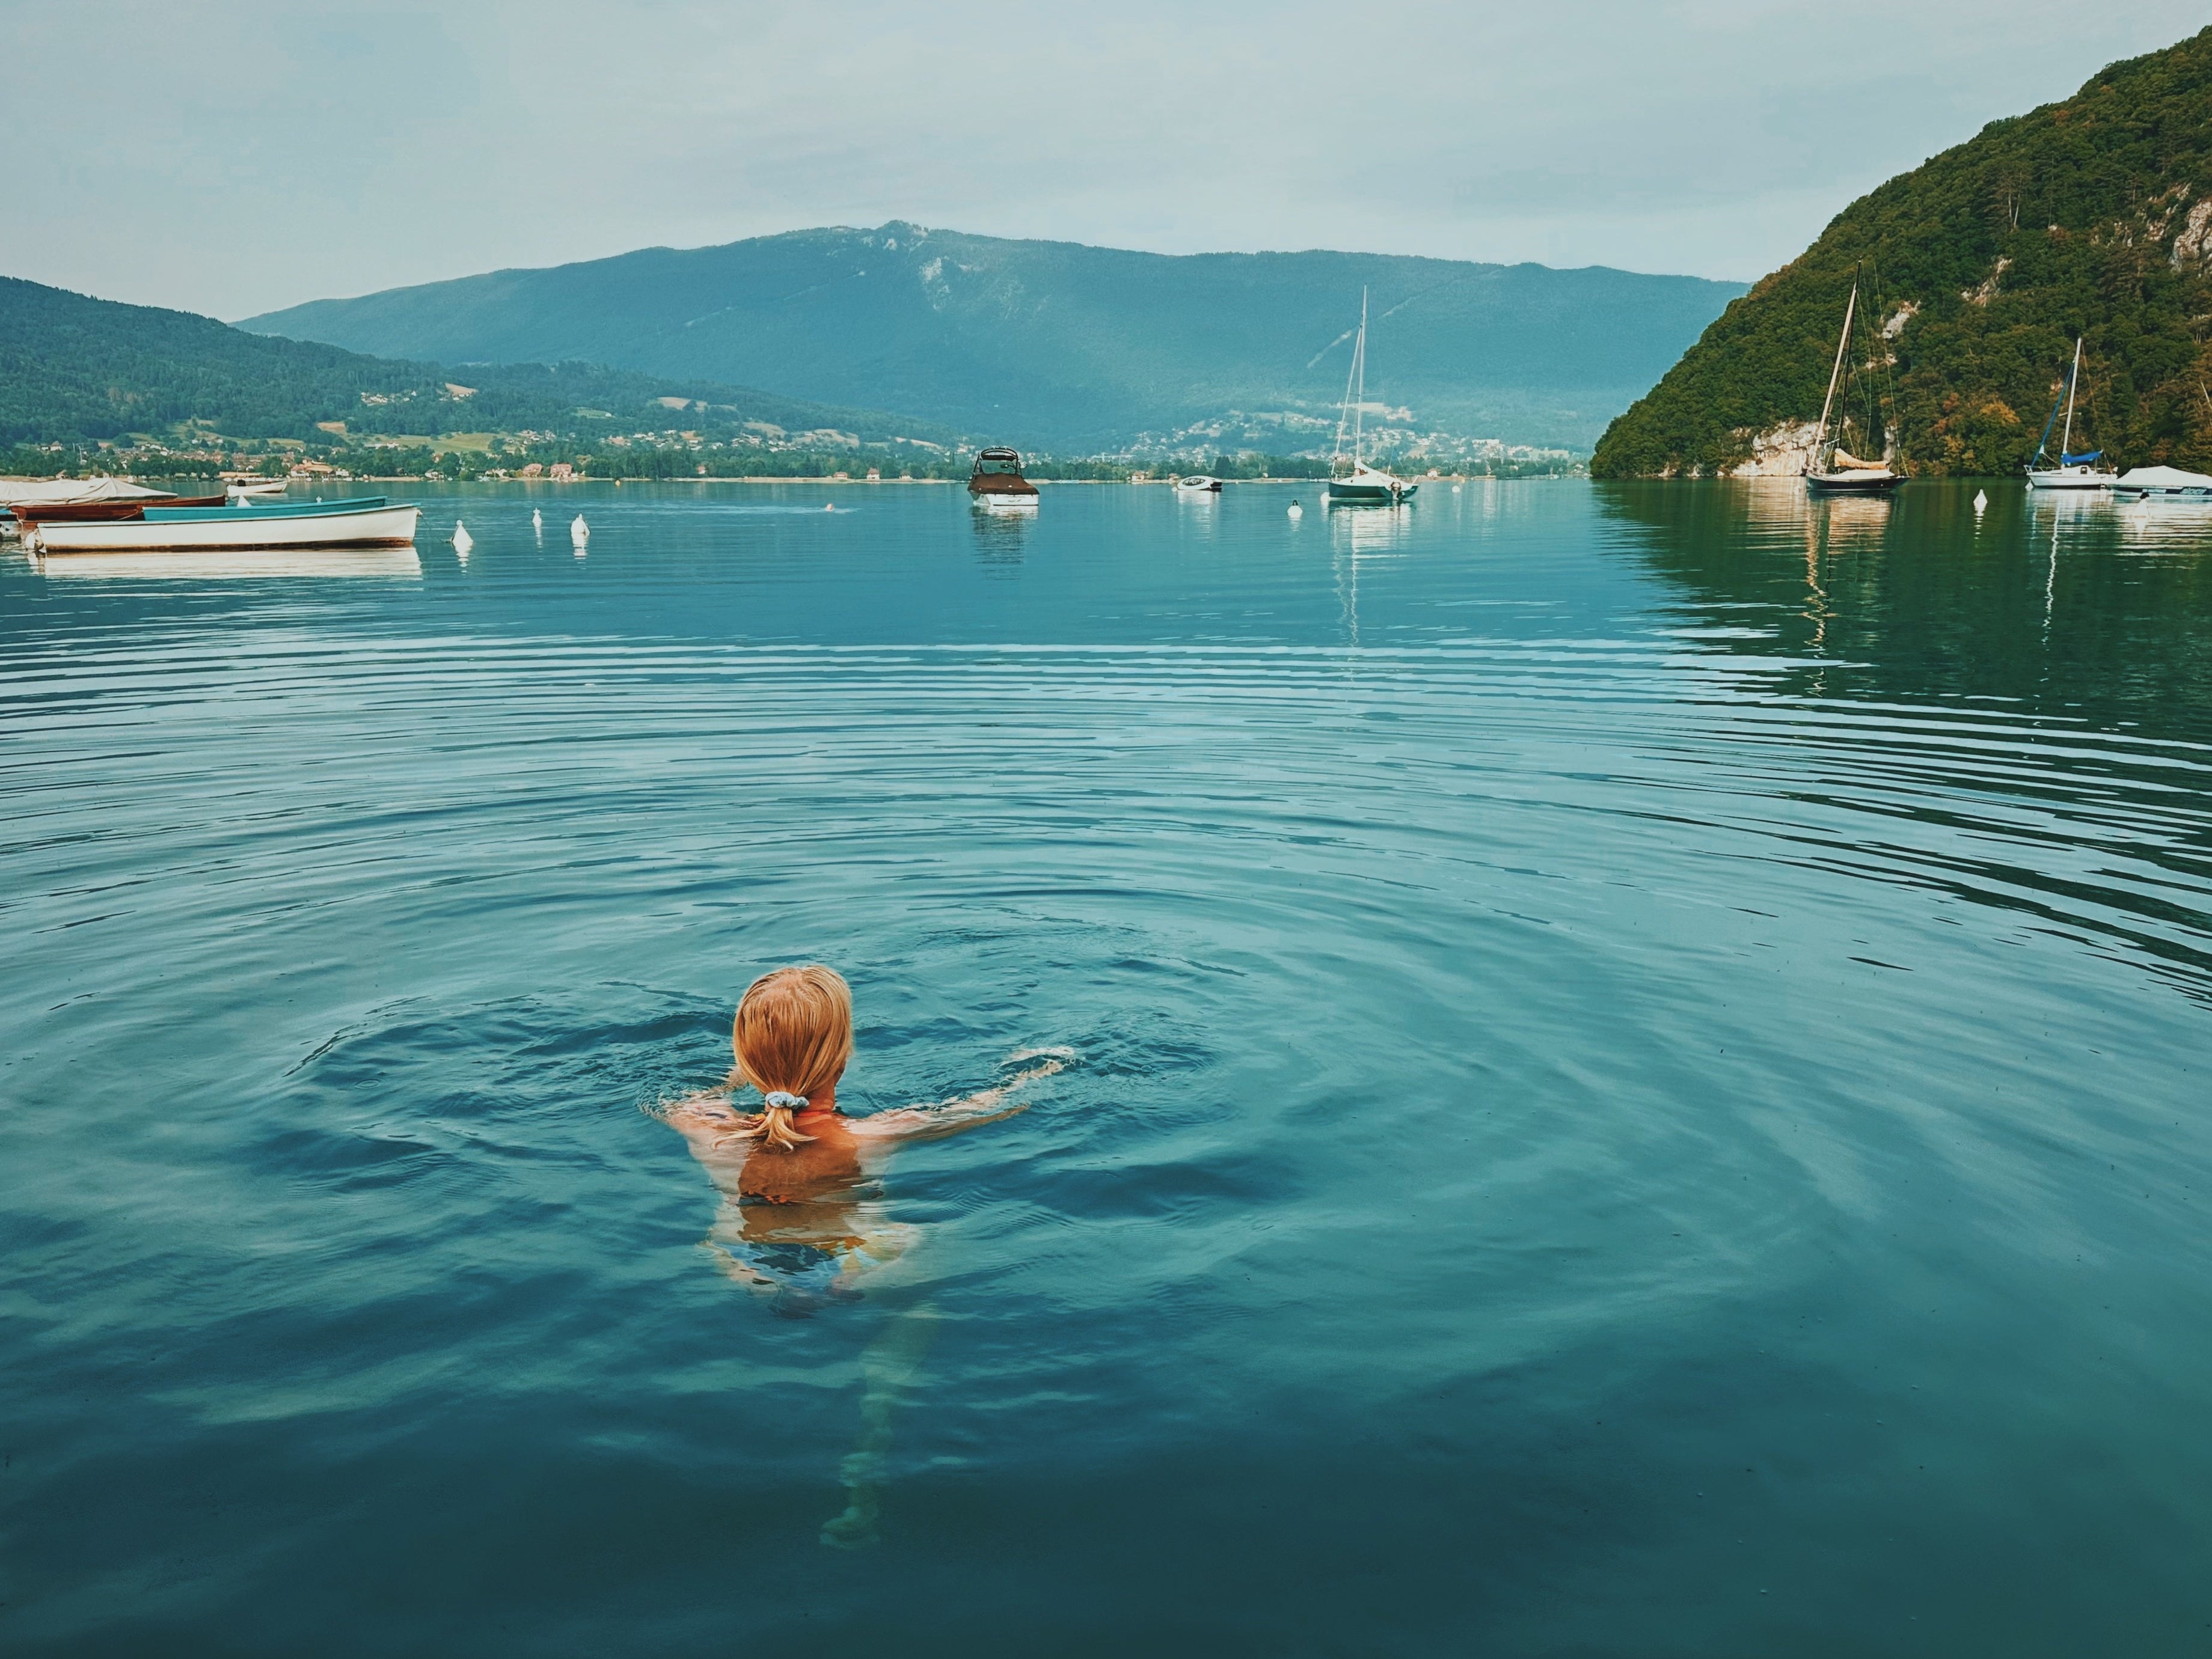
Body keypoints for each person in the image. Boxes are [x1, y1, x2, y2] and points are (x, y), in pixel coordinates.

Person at [661, 963, 1065, 1309]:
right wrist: (1036, 1070)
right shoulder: (875, 1132)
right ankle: (883, 1393)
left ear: (745, 1059)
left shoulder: (704, 1124)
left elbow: (690, 1098)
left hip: (741, 1261)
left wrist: (741, 1078)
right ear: (842, 1058)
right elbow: (993, 1105)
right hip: (852, 1267)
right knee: (926, 1288)